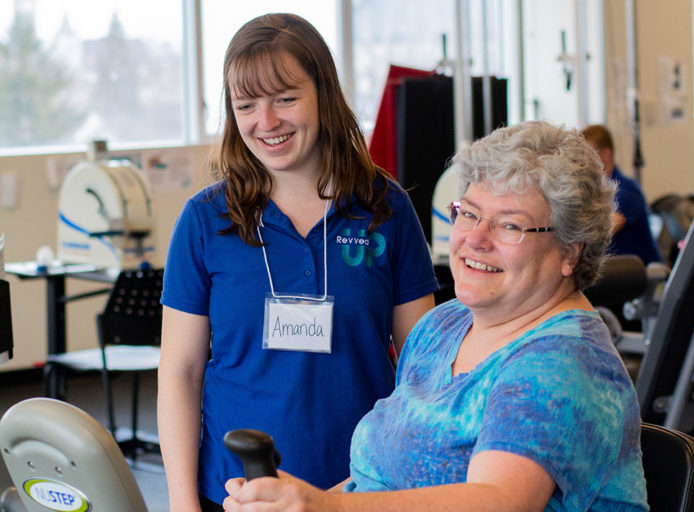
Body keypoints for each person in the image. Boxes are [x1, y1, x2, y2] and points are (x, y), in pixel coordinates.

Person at [222, 121, 649, 512]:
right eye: (469, 213)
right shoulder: (442, 326)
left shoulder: (563, 362)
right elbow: (379, 478)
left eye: (509, 225)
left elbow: (499, 501)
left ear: (570, 251)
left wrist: (323, 508)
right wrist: (292, 503)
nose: (474, 239)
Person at [158, 13, 438, 512]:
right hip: (235, 493)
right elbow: (180, 371)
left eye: (285, 98)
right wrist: (182, 502)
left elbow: (424, 371)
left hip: (361, 489)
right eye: (247, 105)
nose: (266, 122)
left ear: (324, 94)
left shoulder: (386, 209)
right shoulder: (205, 220)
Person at [581, 124, 661, 265]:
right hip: (618, 272)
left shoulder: (627, 191)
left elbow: (603, 231)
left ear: (606, 154)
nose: (582, 161)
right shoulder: (594, 191)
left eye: (588, 154)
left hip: (641, 275)